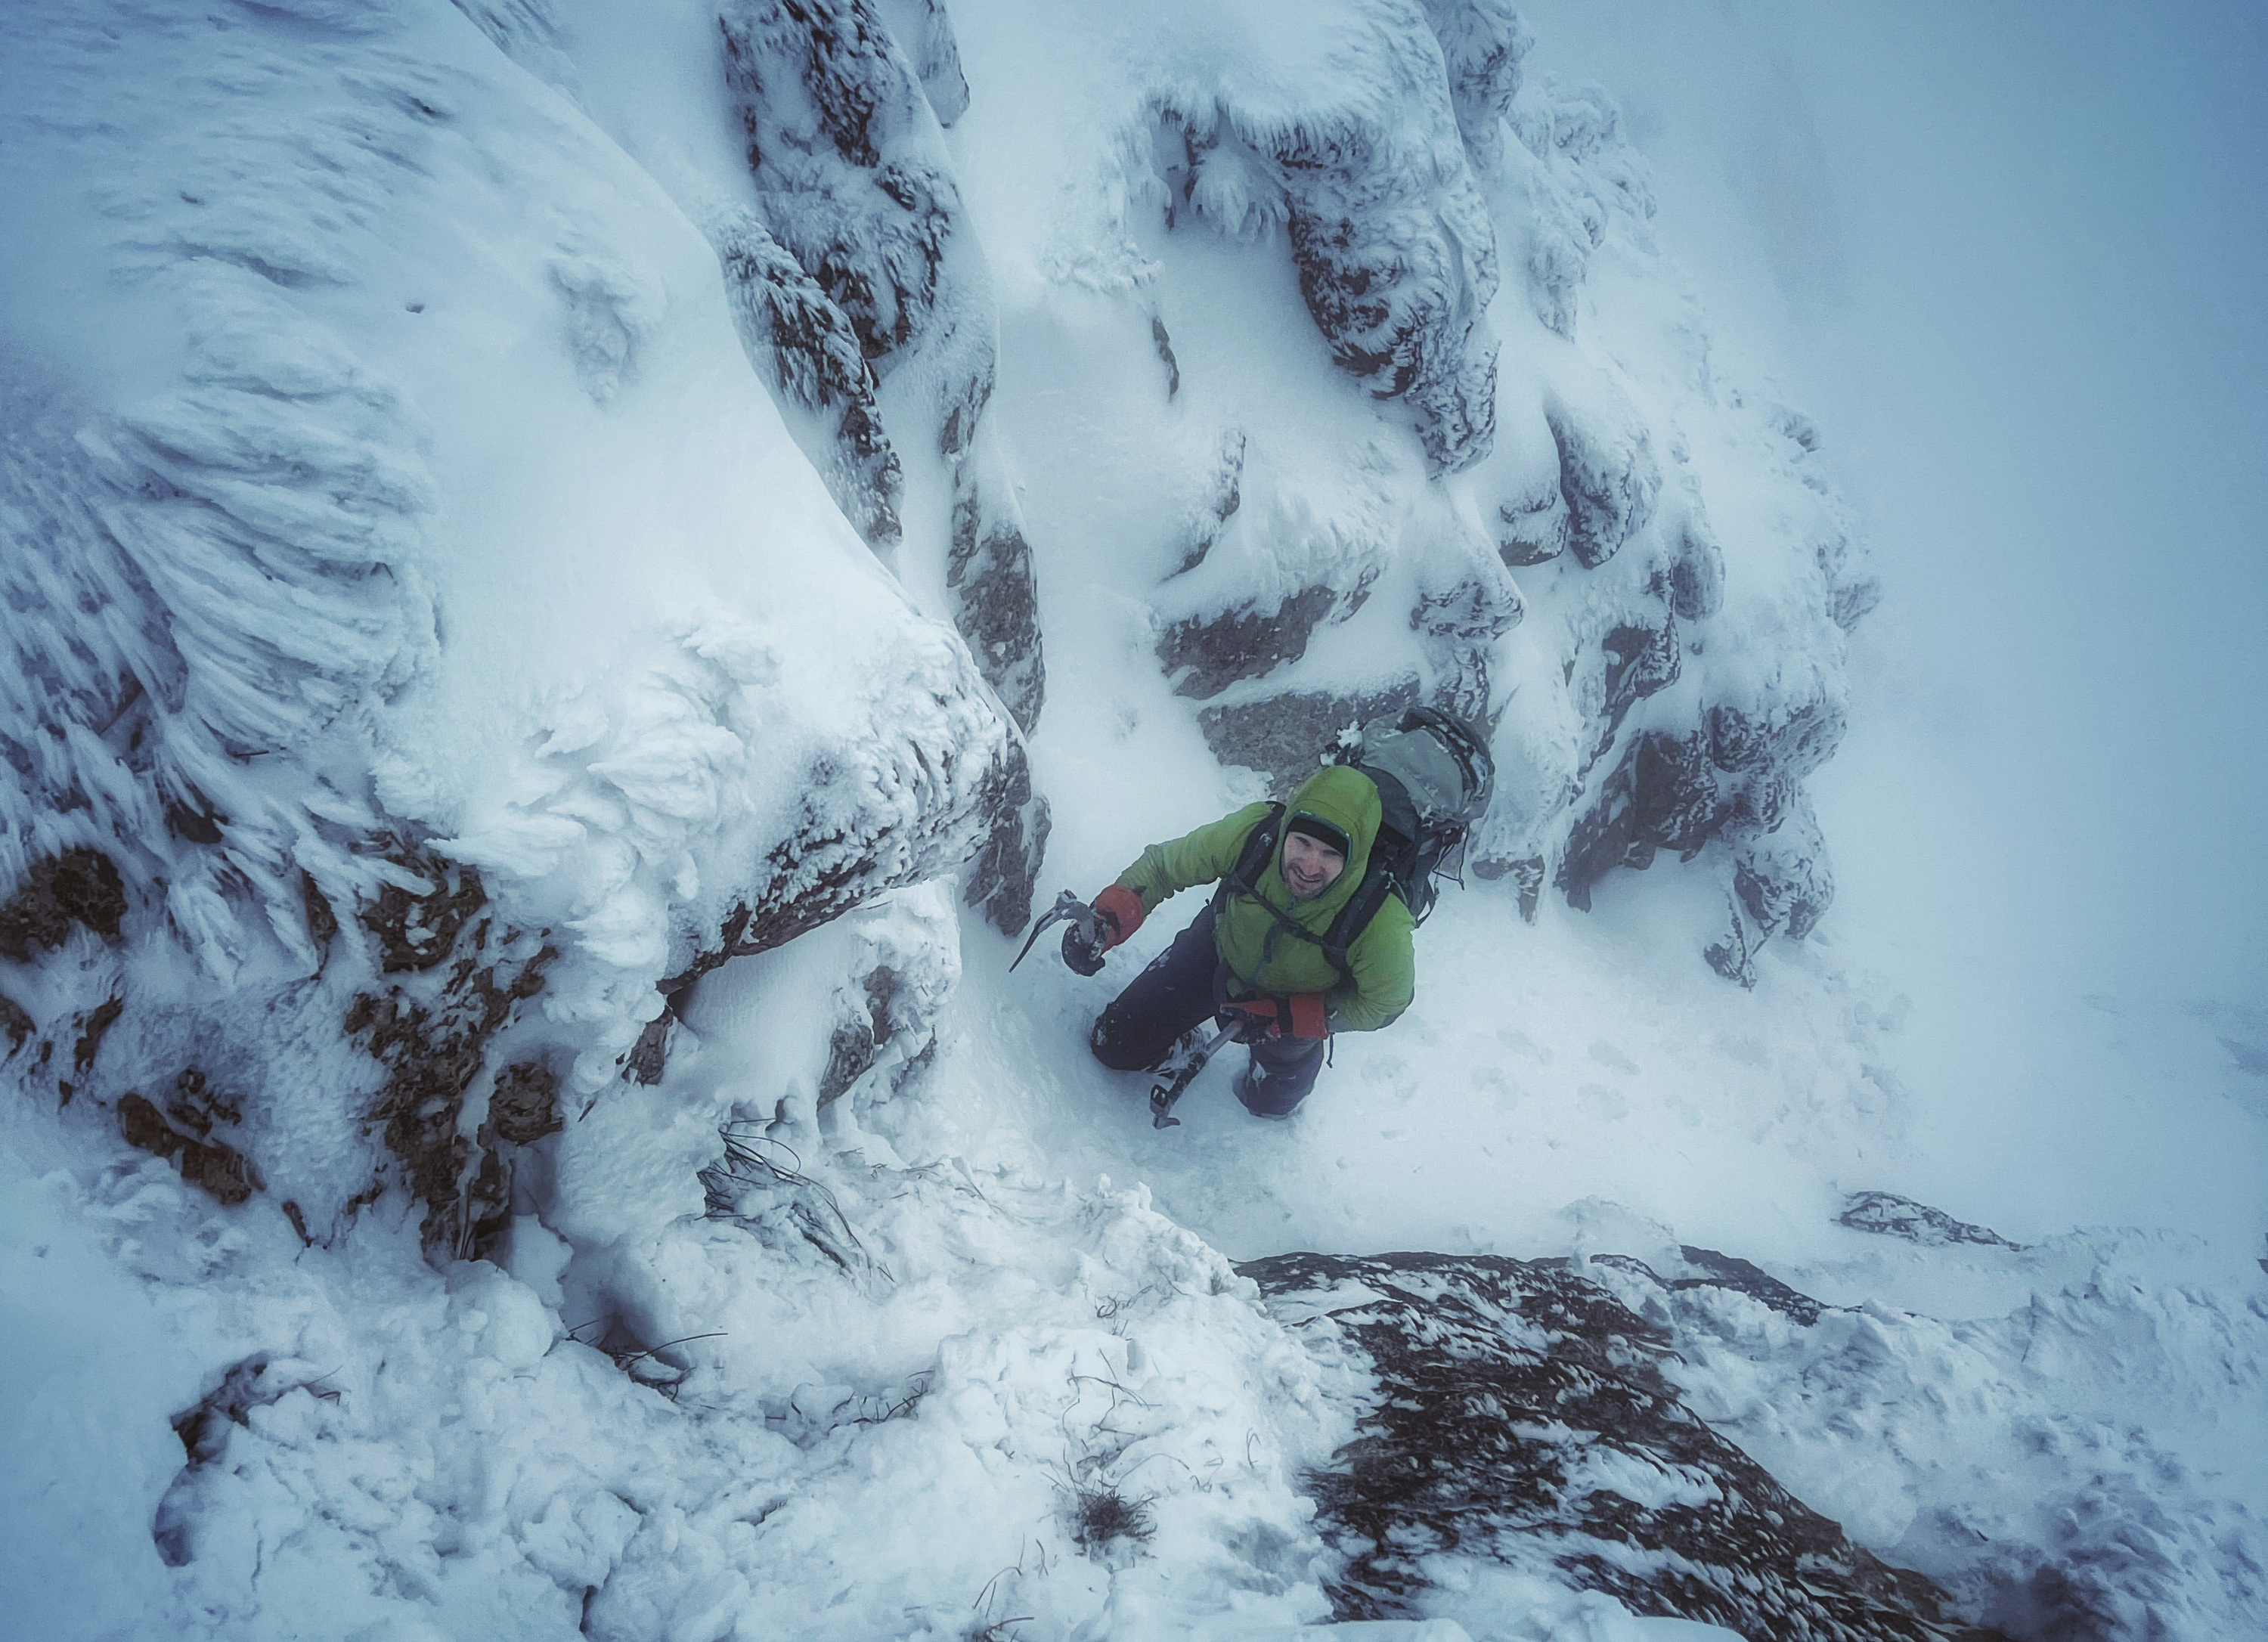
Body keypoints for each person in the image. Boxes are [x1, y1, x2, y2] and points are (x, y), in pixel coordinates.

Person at [1062, 764, 1415, 1117]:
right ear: (1285, 831)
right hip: (1219, 953)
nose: (1309, 867)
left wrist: (1293, 1016)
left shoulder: (1380, 917)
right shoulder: (1256, 835)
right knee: (1114, 1045)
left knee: (1271, 1105)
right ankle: (1185, 1044)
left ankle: (1273, 1082)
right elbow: (1164, 867)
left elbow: (1386, 1003)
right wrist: (1108, 919)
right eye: (1302, 843)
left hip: (1294, 1002)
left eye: (1330, 854)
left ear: (1355, 859)